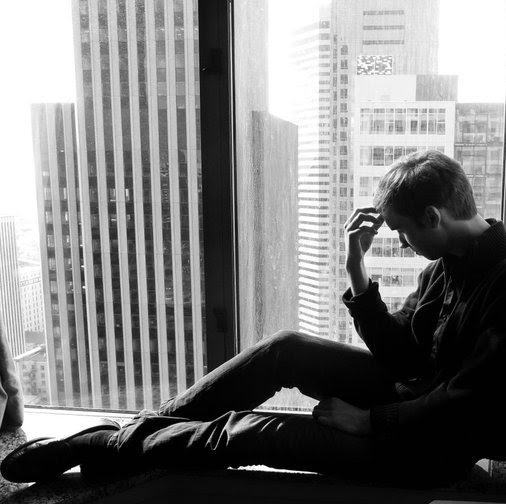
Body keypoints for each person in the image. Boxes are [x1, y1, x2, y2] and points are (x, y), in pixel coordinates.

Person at [3, 150, 506, 486]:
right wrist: (356, 269)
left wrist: (369, 420)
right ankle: (143, 431)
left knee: (256, 432)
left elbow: (466, 402)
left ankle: (108, 445)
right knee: (285, 349)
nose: (403, 244)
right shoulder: (446, 264)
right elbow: (401, 353)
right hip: (407, 395)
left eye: (403, 232)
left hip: (432, 444)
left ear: (433, 217)